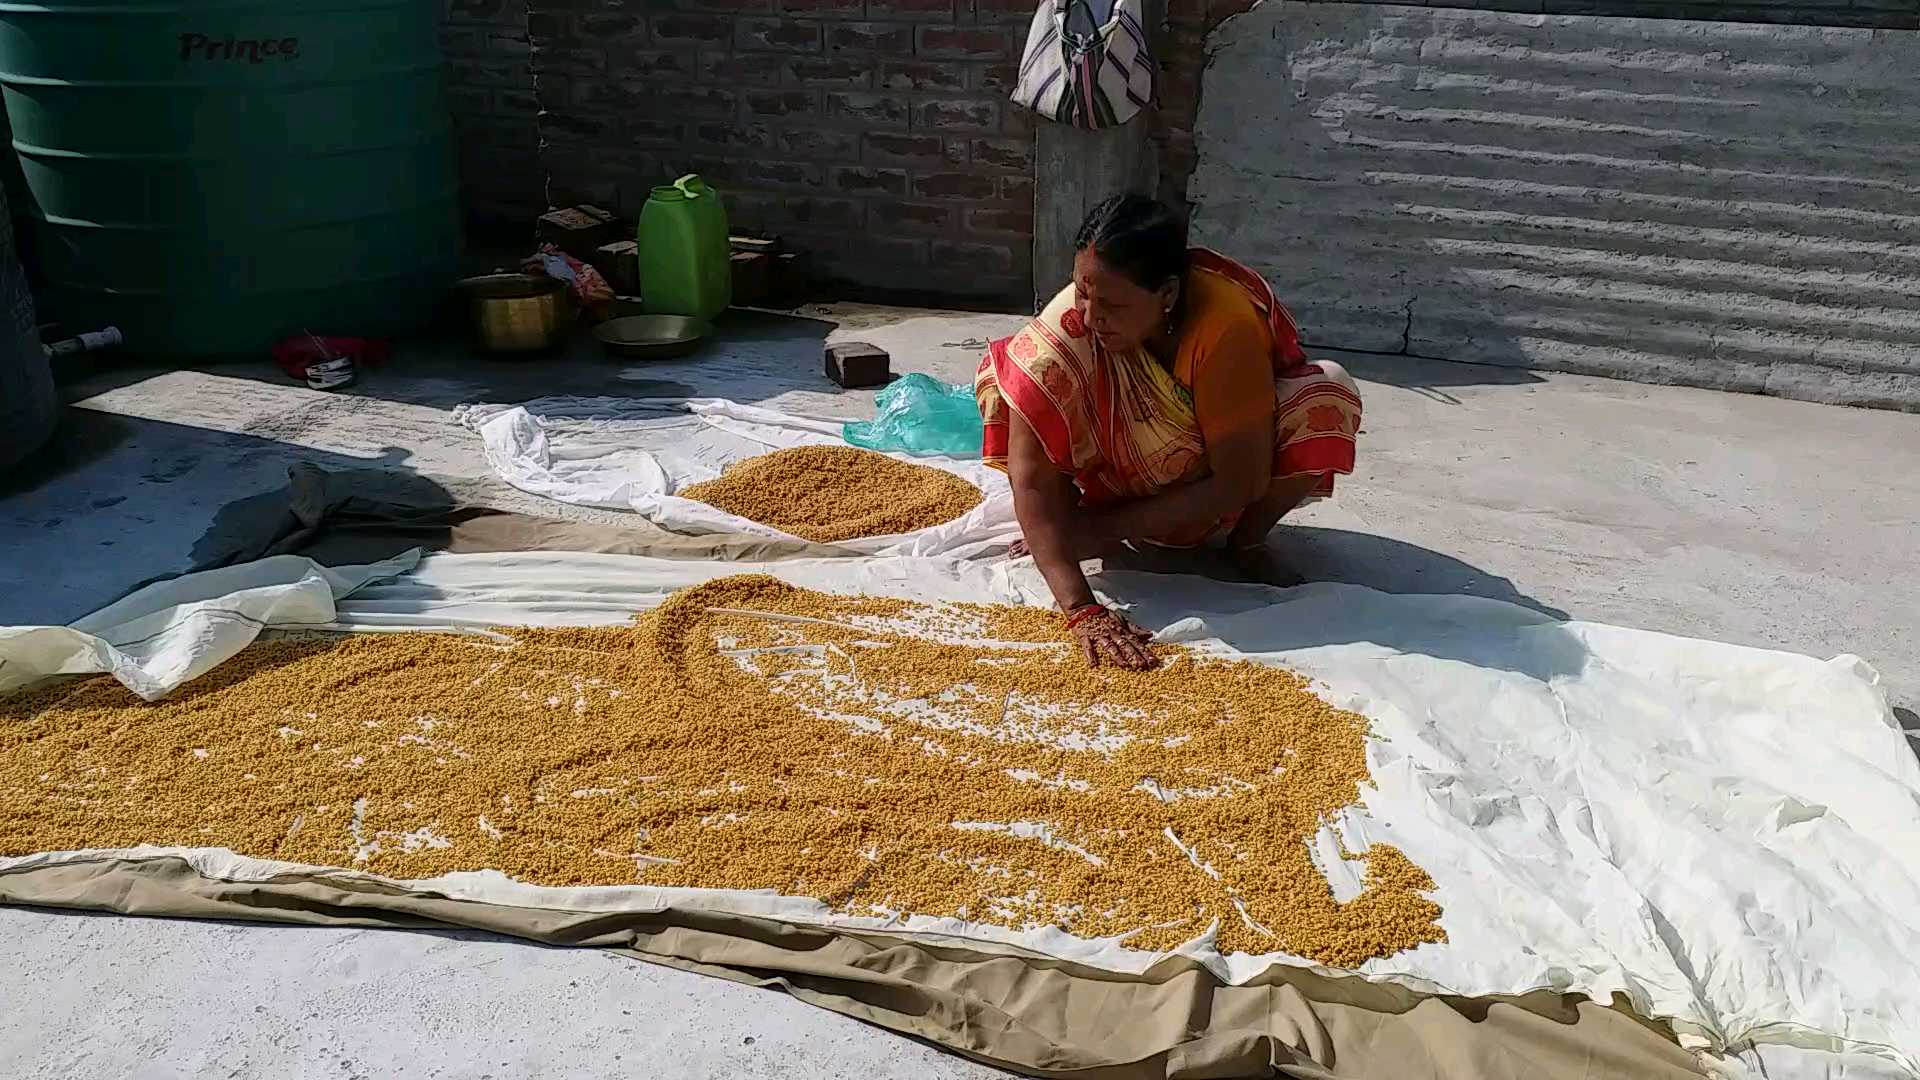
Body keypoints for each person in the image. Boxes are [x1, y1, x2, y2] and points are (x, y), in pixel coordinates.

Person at [975, 194, 1362, 670]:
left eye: (1115, 305)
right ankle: (1079, 521)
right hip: (1115, 481)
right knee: (1017, 379)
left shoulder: (1223, 326)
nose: (1093, 317)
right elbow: (1030, 476)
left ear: (1169, 296)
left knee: (1328, 395)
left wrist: (1097, 533)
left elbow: (1240, 480)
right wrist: (1081, 607)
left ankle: (1246, 542)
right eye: (1082, 291)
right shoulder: (1071, 326)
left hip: (1210, 486)